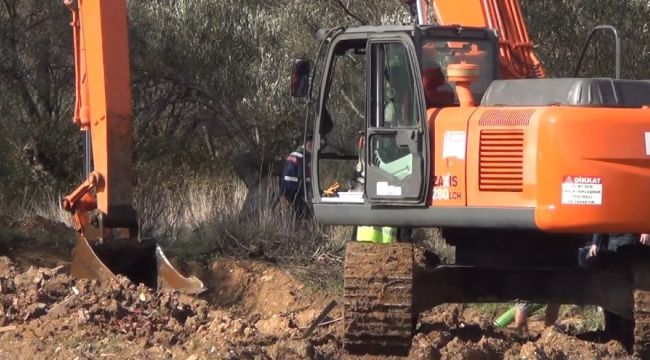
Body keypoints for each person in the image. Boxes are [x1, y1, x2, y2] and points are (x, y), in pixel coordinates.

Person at [279, 136, 313, 219]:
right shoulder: (303, 156)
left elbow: (284, 173)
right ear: (306, 143)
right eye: (311, 144)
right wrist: (306, 193)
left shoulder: (293, 154)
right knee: (305, 215)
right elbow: (302, 176)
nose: (312, 147)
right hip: (296, 191)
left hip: (287, 189)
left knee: (297, 214)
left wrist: (282, 191)